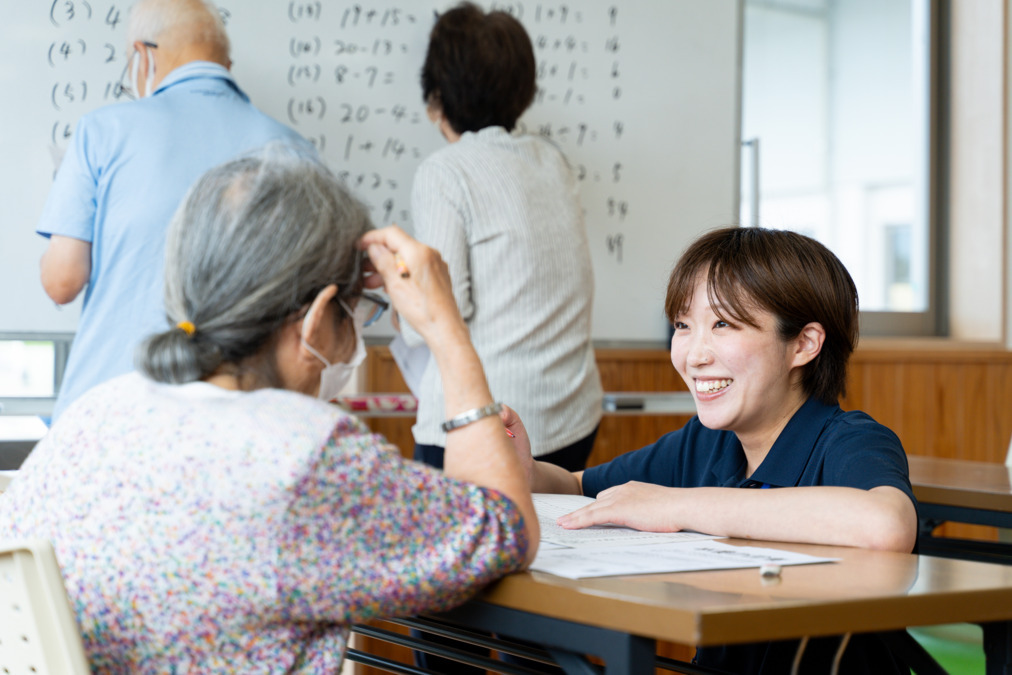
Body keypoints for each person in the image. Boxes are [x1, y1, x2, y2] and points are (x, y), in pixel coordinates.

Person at [0, 144, 538, 672]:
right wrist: (447, 330)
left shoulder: (91, 416)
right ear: (320, 313)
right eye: (358, 312)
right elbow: (504, 530)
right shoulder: (303, 456)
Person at [504, 226, 919, 674]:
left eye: (723, 324)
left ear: (803, 343)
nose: (694, 354)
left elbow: (885, 525)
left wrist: (677, 504)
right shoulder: (705, 442)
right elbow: (576, 485)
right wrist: (524, 471)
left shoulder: (850, 438)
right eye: (683, 326)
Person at [38, 0, 306, 421]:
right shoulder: (294, 150)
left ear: (143, 56)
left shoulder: (103, 130)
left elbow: (62, 281)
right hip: (243, 409)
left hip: (112, 403)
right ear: (227, 63)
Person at [402, 1, 603, 473]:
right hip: (572, 415)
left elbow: (434, 313)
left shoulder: (445, 171)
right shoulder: (551, 160)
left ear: (436, 95)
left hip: (489, 423)